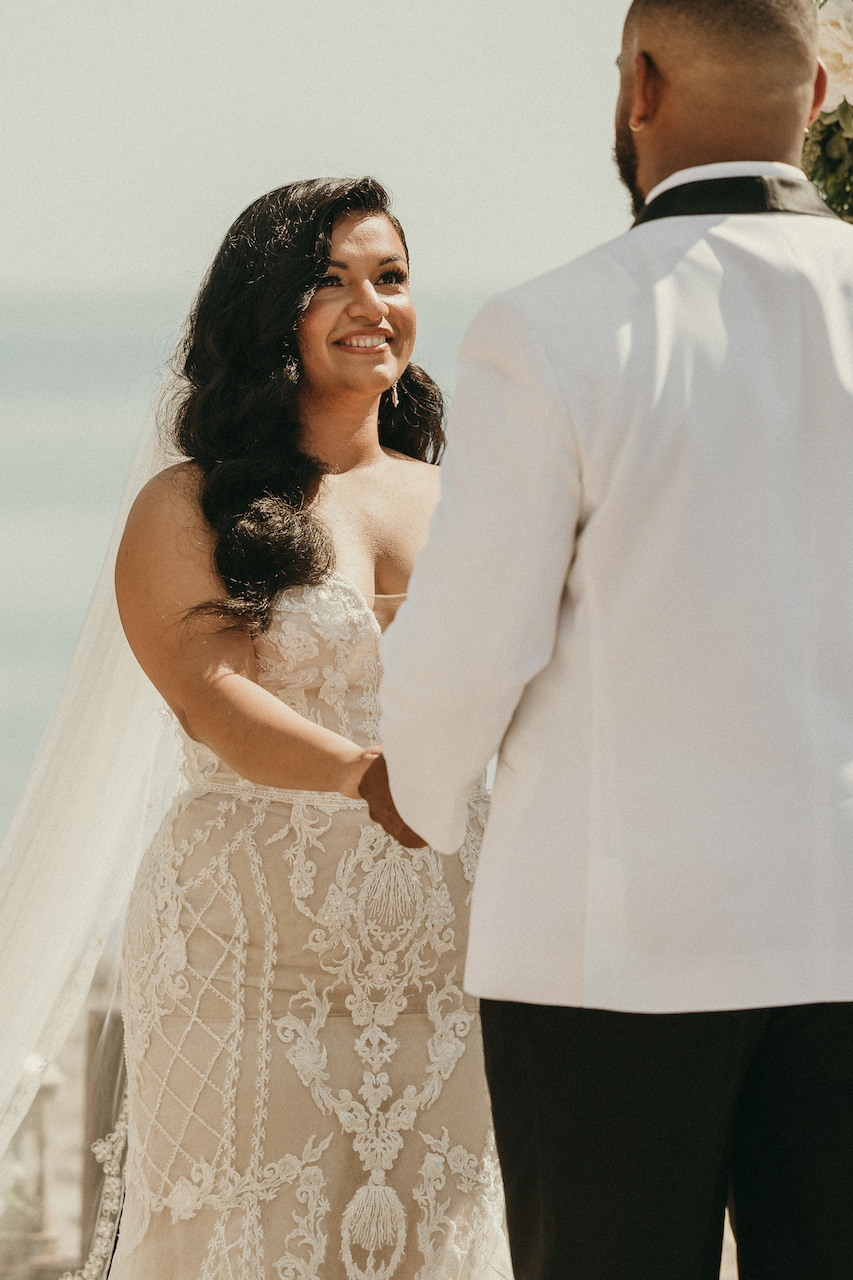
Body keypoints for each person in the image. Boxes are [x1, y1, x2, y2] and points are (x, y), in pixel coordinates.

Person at [361, 2, 853, 1277]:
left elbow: (473, 648)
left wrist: (416, 781)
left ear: (639, 87)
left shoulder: (552, 330)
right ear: (814, 102)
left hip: (613, 959)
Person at [78, 177, 509, 1279]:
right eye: (331, 279)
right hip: (245, 947)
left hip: (449, 953)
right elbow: (206, 691)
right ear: (270, 309)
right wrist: (368, 775)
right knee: (243, 1237)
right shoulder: (189, 504)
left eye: (392, 277)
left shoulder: (478, 500)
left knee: (443, 1236)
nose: (372, 302)